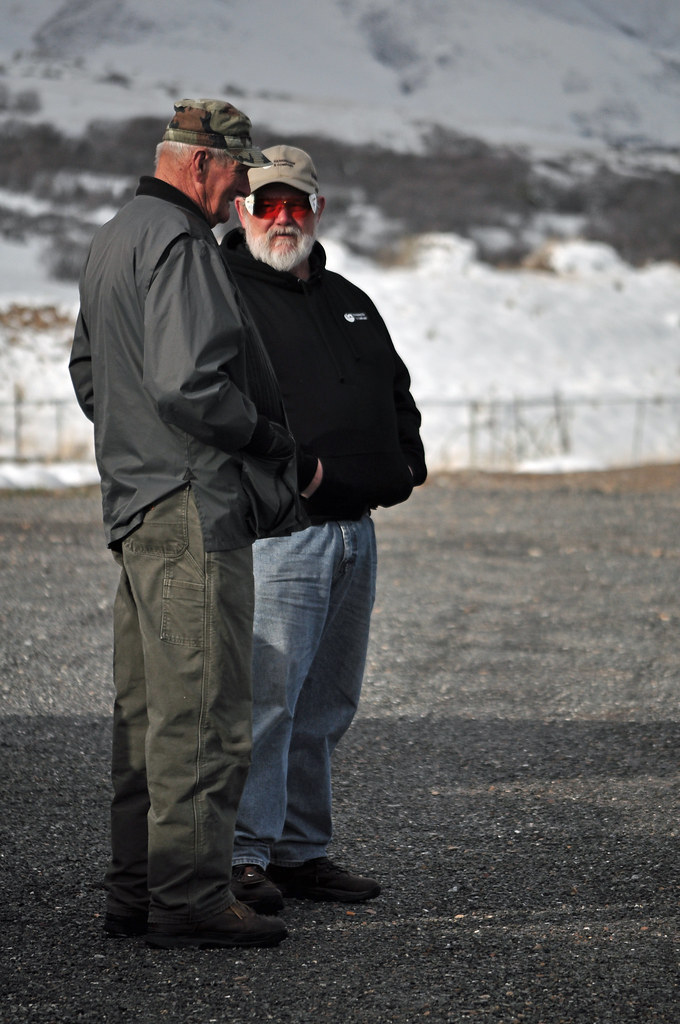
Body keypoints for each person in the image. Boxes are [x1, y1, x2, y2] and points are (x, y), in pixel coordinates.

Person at [69, 101, 308, 949]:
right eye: (238, 178)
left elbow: (89, 372)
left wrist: (133, 453)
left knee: (145, 715)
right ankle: (192, 899)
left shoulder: (111, 238)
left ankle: (137, 891)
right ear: (203, 166)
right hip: (190, 509)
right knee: (204, 711)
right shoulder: (179, 243)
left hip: (135, 505)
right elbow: (189, 385)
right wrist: (267, 437)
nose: (238, 194)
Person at [220, 145, 427, 911]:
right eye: (267, 204)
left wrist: (406, 464)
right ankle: (244, 856)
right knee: (267, 701)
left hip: (354, 532)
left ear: (319, 211)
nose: (283, 219)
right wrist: (300, 478)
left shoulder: (350, 297)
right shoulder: (222, 298)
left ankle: (301, 851)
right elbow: (221, 417)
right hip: (282, 532)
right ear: (241, 210)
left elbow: (396, 393)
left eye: (297, 204)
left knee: (327, 705)